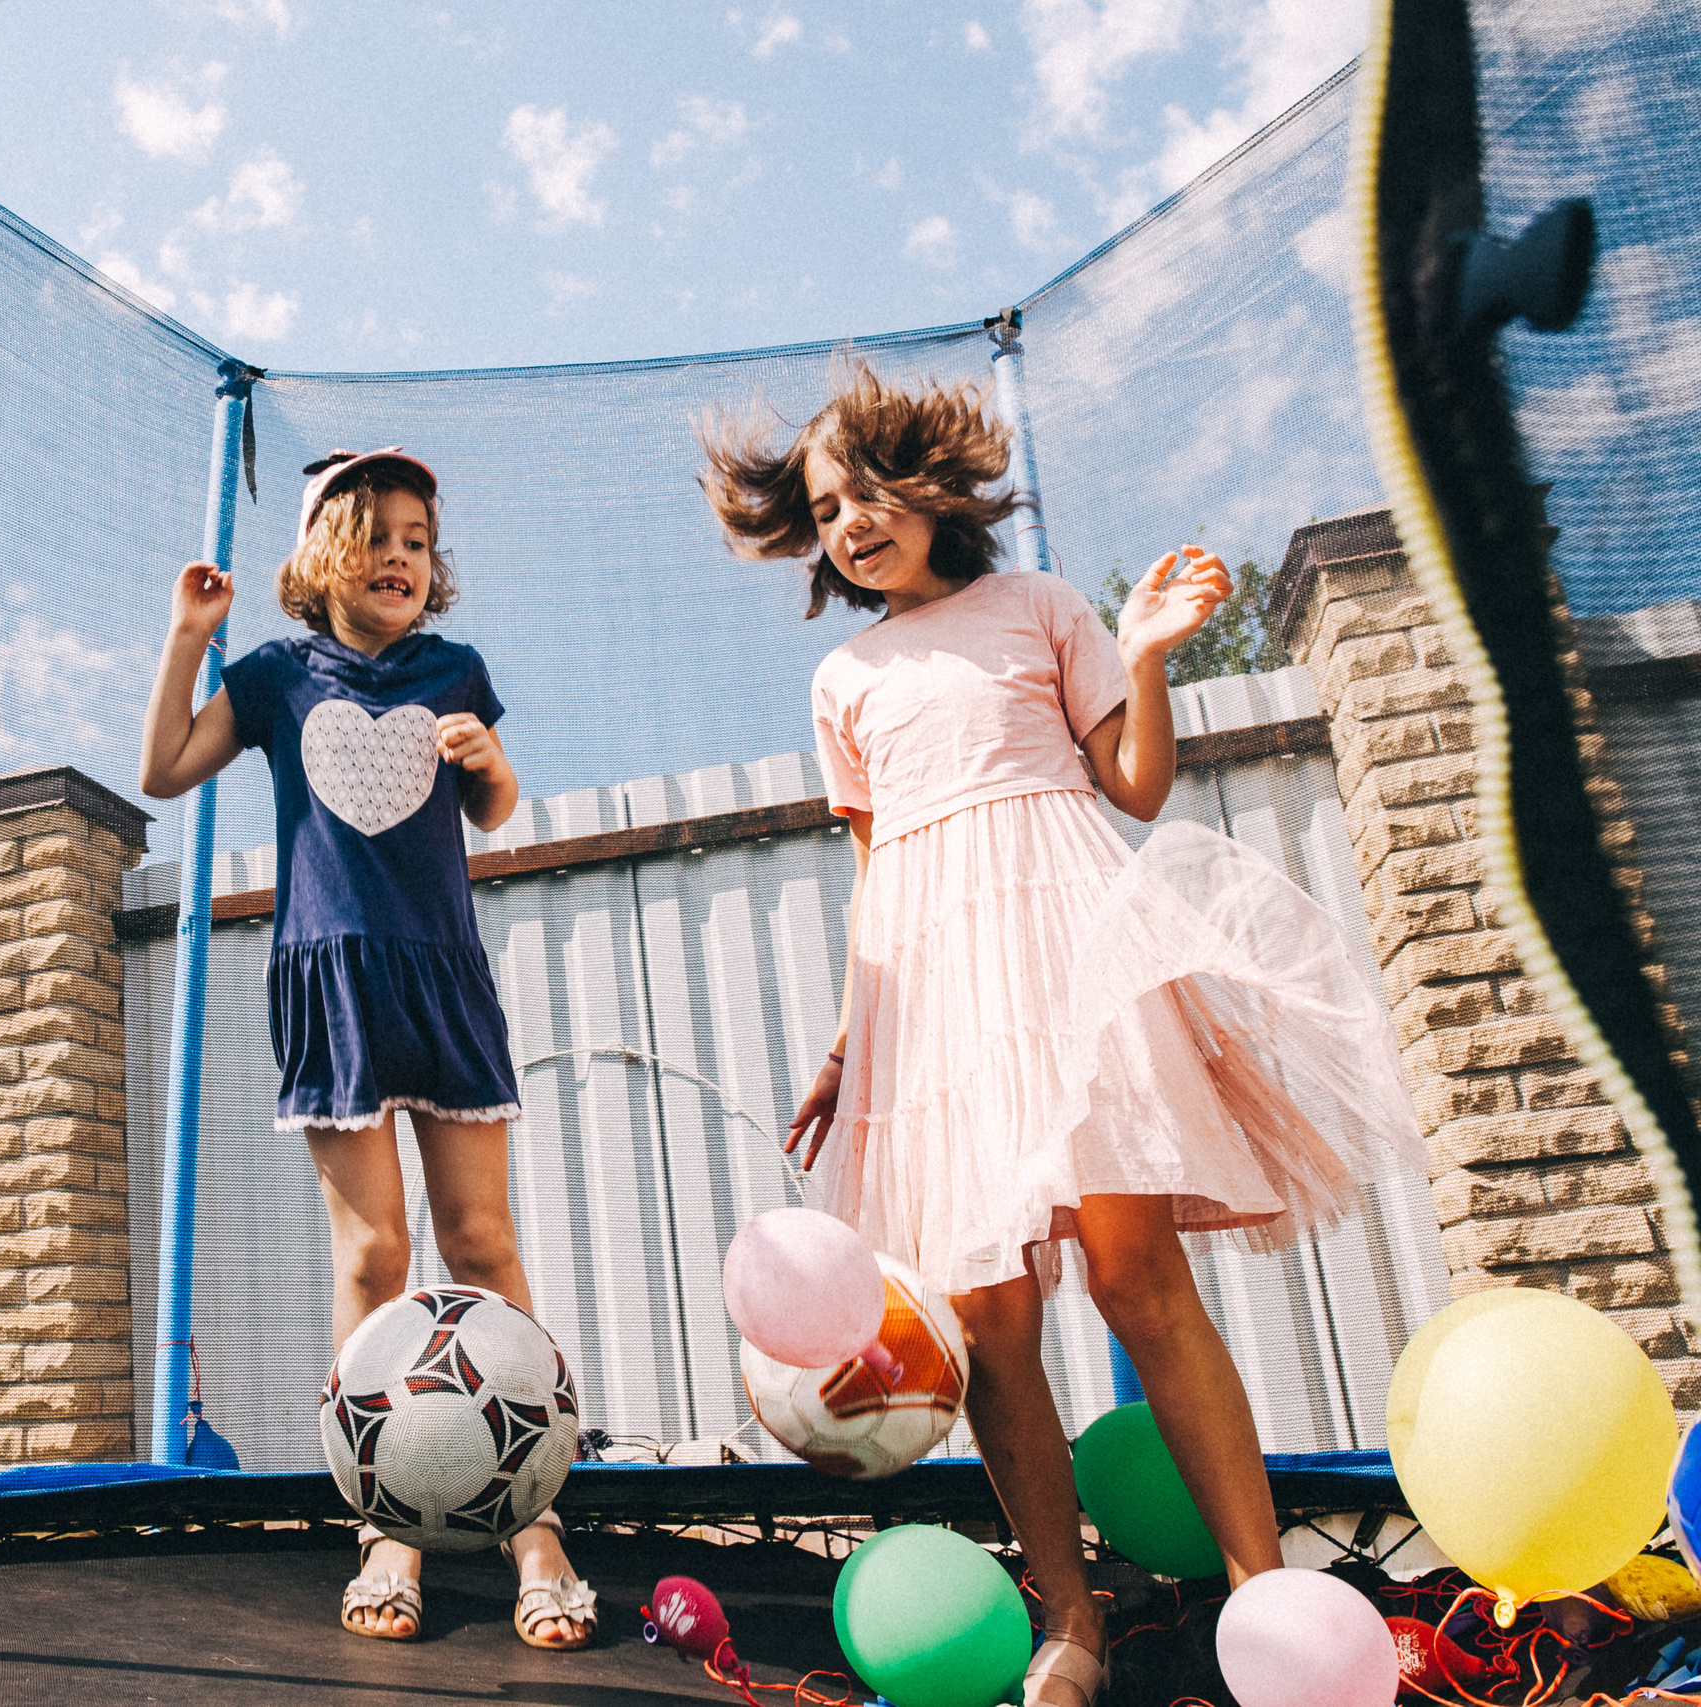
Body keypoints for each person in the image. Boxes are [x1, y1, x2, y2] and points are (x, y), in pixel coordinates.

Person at [699, 367, 1423, 1707]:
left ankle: (1264, 1596)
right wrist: (848, 1045)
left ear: (929, 487)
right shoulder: (843, 678)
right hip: (930, 997)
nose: (851, 522)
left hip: (1068, 956)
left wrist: (1142, 651)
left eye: (867, 491)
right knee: (989, 1315)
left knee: (1137, 1273)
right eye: (826, 509)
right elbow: (873, 877)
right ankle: (1070, 1619)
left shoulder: (1039, 605)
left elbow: (1133, 785)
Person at [137, 447, 597, 1652]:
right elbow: (164, 769)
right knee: (375, 1254)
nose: (400, 556)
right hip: (330, 981)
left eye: (417, 540)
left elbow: (488, 809)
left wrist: (494, 769)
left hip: (440, 976)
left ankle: (534, 1520)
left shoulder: (455, 670)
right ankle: (386, 1525)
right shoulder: (276, 676)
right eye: (376, 535)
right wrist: (187, 640)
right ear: (323, 553)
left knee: (482, 1242)